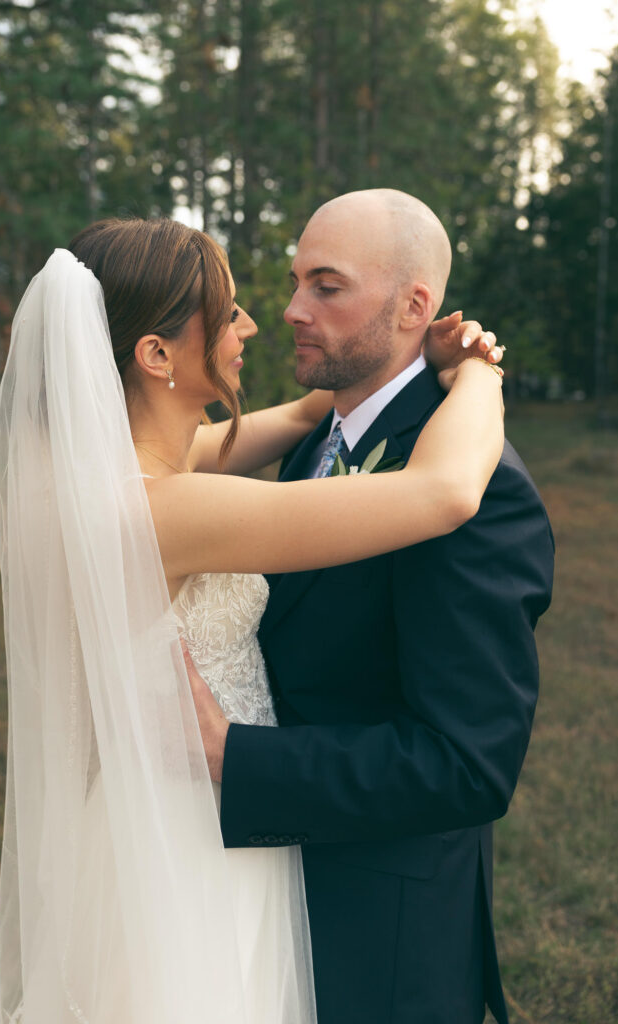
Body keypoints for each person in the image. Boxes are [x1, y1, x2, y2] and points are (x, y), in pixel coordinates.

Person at [0, 213, 504, 1024]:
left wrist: (383, 370)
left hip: (138, 830)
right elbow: (442, 493)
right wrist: (480, 373)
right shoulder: (161, 510)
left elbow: (296, 421)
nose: (254, 324)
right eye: (226, 312)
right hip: (196, 846)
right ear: (155, 355)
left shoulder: (107, 474)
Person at [184, 190, 555, 1024]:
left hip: (380, 937)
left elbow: (467, 764)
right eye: (294, 282)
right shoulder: (319, 437)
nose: (288, 309)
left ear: (413, 306)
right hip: (264, 897)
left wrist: (234, 759)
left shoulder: (480, 488)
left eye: (326, 286)